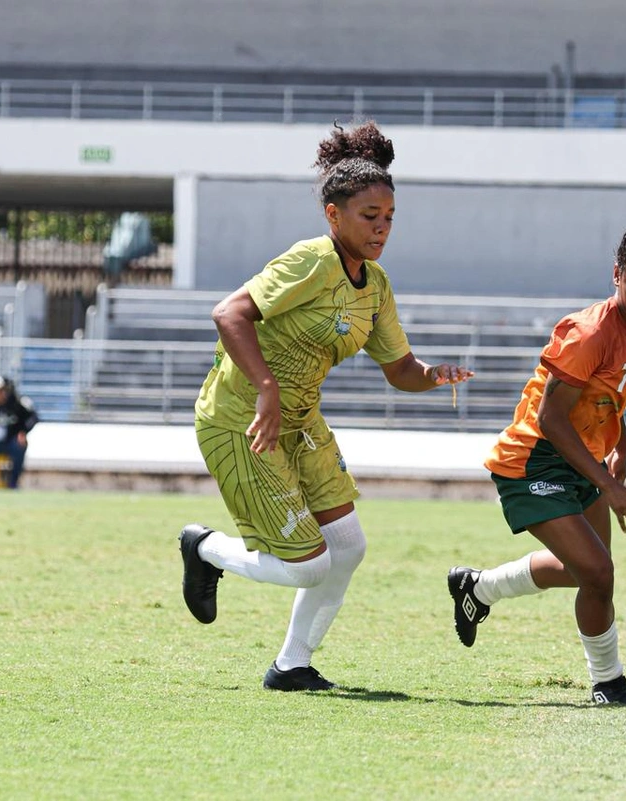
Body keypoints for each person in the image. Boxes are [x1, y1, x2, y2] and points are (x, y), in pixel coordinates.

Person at [178, 120, 473, 692]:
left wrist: (435, 376)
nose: (382, 228)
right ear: (333, 215)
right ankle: (206, 549)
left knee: (348, 546)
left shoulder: (377, 285)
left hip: (301, 420)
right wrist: (266, 388)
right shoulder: (311, 261)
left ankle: (292, 665)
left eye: (389, 218)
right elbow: (228, 313)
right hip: (241, 418)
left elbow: (400, 371)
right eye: (370, 217)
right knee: (308, 563)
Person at [447, 201, 626, 706]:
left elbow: (612, 402)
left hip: (582, 460)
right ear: (616, 274)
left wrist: (621, 449)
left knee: (585, 571)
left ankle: (478, 588)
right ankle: (609, 683)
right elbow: (551, 419)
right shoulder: (590, 332)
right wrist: (611, 487)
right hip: (533, 460)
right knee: (599, 574)